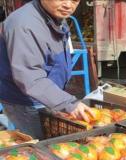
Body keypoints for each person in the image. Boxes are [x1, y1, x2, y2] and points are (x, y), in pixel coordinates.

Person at [0, 0, 94, 139]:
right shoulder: (25, 25)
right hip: (25, 100)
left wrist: (59, 99)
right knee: (40, 147)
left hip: (46, 96)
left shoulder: (56, 17)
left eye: (75, 0)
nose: (68, 5)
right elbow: (29, 77)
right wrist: (68, 103)